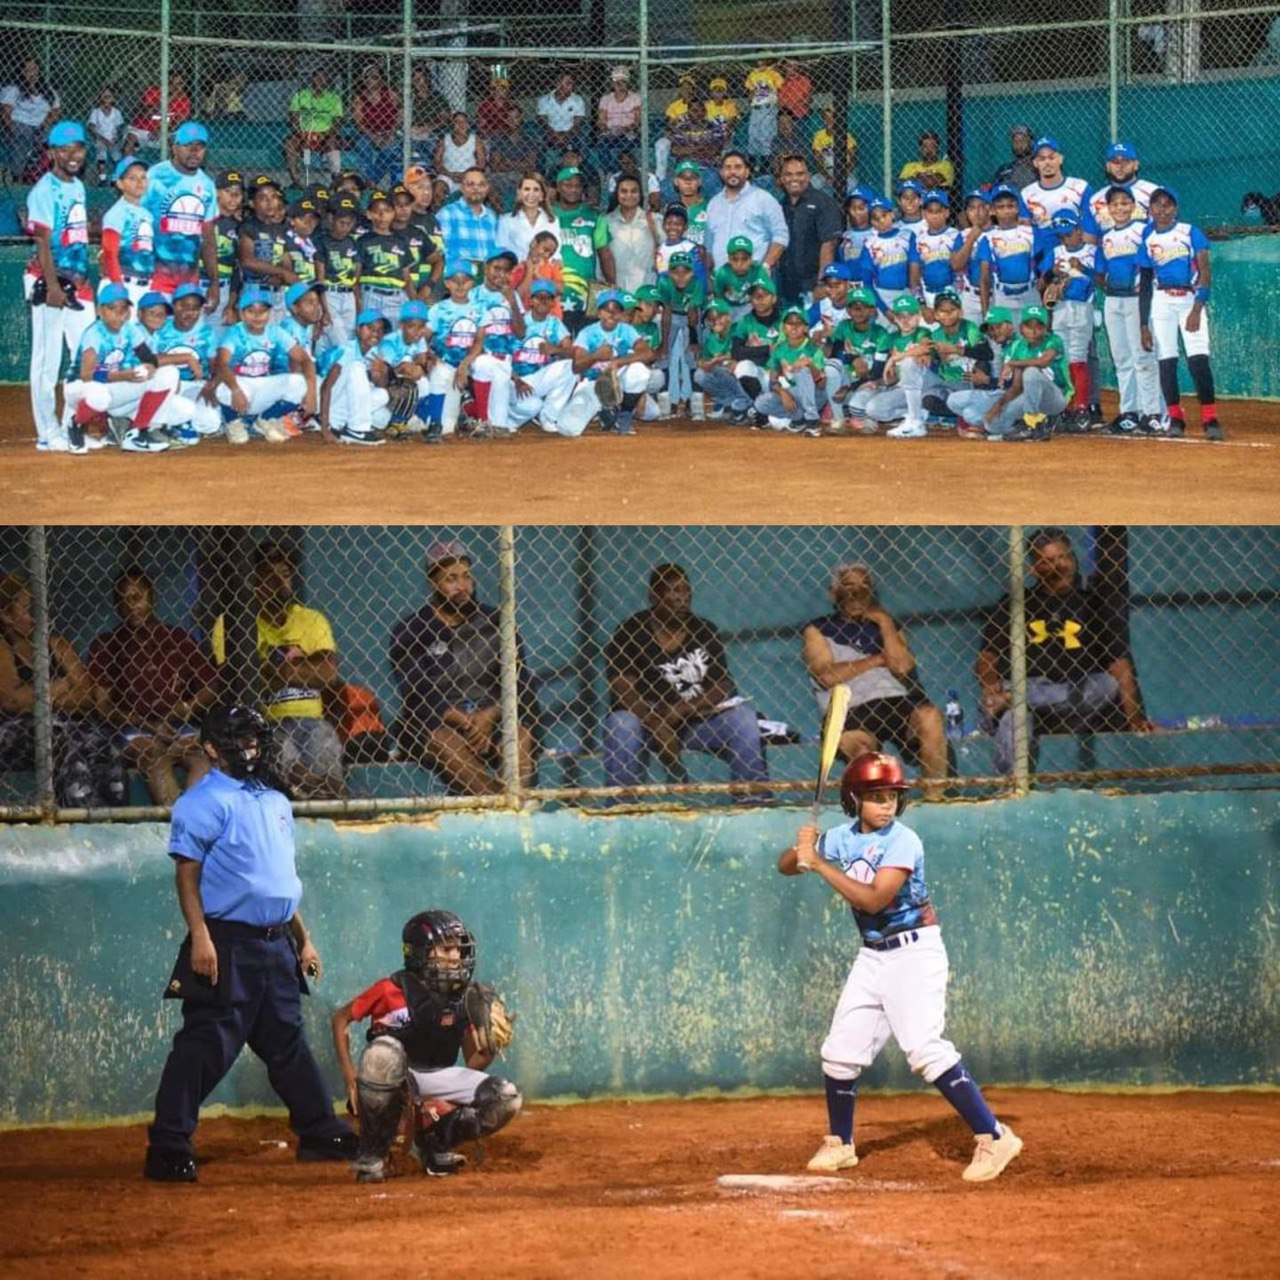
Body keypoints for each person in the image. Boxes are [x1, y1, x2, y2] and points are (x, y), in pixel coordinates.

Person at [778, 752, 1023, 1182]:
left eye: (891, 795)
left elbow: (873, 899)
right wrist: (802, 849)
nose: (886, 804)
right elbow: (787, 867)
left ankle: (994, 1135)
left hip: (915, 954)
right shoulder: (839, 837)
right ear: (855, 800)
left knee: (925, 1050)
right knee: (839, 1053)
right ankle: (841, 1143)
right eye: (875, 796)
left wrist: (818, 864)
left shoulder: (902, 840)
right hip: (873, 955)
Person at [142, 704, 357, 1183]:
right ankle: (168, 1146)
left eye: (255, 738)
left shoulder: (274, 799)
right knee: (206, 1045)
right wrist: (200, 936)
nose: (250, 748)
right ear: (212, 748)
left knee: (286, 1043)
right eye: (238, 739)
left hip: (276, 942)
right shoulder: (202, 801)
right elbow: (187, 876)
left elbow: (280, 881)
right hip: (226, 940)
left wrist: (304, 939)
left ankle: (319, 1131)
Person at [333, 910, 521, 1182]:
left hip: (434, 1075)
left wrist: (489, 1048)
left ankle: (434, 1142)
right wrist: (350, 1077)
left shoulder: (465, 998)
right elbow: (340, 1019)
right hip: (392, 1080)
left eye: (459, 949)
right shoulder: (391, 989)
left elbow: (472, 1062)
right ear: (421, 953)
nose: (456, 956)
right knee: (382, 1053)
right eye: (447, 948)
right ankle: (373, 1156)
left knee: (506, 1097)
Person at [976, 527, 1152, 775]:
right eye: (1049, 561)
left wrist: (1135, 721)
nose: (1061, 565)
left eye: (1064, 557)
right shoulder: (1015, 604)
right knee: (1014, 718)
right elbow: (987, 658)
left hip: (1075, 702)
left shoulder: (1093, 605)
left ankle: (1017, 696)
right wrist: (990, 684)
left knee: (1107, 685)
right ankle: (1009, 789)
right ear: (1034, 568)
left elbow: (1119, 666)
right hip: (1028, 696)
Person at [603, 563, 770, 800]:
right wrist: (656, 722)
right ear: (655, 596)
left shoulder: (704, 630)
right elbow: (622, 689)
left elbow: (721, 686)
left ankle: (754, 802)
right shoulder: (630, 632)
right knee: (620, 723)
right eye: (673, 591)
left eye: (685, 591)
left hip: (694, 723)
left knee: (743, 718)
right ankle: (622, 807)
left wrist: (679, 711)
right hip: (645, 725)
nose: (681, 599)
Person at [389, 541, 537, 796]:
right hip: (440, 722)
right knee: (443, 741)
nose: (463, 586)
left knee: (521, 735)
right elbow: (416, 694)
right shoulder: (412, 630)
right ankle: (503, 808)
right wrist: (464, 721)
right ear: (434, 584)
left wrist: (489, 717)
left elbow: (520, 683)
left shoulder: (496, 624)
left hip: (492, 718)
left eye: (467, 576)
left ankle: (500, 809)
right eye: (452, 579)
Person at [802, 562, 946, 799]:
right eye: (848, 585)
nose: (857, 592)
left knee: (930, 717)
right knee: (860, 748)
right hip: (851, 706)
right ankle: (879, 808)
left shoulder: (885, 625)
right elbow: (827, 675)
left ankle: (935, 797)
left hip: (896, 700)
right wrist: (876, 660)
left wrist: (885, 622)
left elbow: (901, 666)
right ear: (833, 593)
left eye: (864, 585)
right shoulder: (818, 629)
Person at [86, 567, 217, 805]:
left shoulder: (176, 638)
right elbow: (103, 705)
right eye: (123, 601)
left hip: (177, 724)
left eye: (137, 598)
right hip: (133, 730)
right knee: (154, 756)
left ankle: (197, 817)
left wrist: (185, 708)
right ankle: (178, 819)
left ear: (152, 598)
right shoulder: (108, 645)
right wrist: (145, 724)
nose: (131, 606)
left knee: (202, 757)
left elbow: (210, 686)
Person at [0, 570, 126, 810]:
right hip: (11, 733)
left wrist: (39, 699)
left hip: (65, 725)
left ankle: (114, 818)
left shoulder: (57, 644)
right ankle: (78, 817)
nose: (36, 616)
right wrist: (63, 685)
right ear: (6, 617)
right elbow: (12, 703)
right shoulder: (3, 648)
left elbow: (87, 696)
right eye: (27, 609)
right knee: (60, 739)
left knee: (103, 745)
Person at [249, 542, 346, 799]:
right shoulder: (237, 624)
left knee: (325, 743)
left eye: (284, 574)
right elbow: (243, 682)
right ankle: (331, 797)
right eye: (269, 576)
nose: (280, 582)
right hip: (266, 721)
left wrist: (276, 670)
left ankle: (324, 794)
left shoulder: (312, 619)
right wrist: (305, 667)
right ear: (255, 583)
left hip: (311, 719)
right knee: (280, 748)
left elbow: (327, 675)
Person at [25, 120, 95, 453]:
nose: (72, 155)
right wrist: (52, 285)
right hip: (49, 281)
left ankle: (71, 426)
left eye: (77, 148)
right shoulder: (44, 189)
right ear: (51, 152)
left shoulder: (77, 187)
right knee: (47, 359)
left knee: (83, 354)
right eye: (64, 149)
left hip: (76, 283)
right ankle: (46, 430)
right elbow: (43, 243)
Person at [1138, 186, 1221, 440]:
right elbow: (1145, 281)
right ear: (1150, 209)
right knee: (1167, 360)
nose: (1163, 210)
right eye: (1157, 205)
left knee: (1198, 360)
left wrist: (1198, 307)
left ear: (1176, 208)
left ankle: (1210, 418)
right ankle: (1176, 417)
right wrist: (1143, 324)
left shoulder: (1189, 232)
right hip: (1162, 300)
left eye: (1168, 205)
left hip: (1189, 300)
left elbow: (1205, 272)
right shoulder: (1147, 237)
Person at [1096, 184, 1162, 434]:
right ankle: (1129, 412)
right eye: (1115, 204)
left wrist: (1140, 288)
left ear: (1134, 206)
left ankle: (1152, 412)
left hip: (1136, 300)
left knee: (1143, 356)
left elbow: (1150, 264)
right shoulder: (1107, 236)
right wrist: (1109, 287)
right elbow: (1102, 271)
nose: (1120, 207)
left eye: (1125, 203)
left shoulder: (1143, 231)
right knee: (1122, 359)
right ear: (1108, 208)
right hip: (1114, 301)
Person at [143, 120, 219, 303]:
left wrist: (214, 283)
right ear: (174, 147)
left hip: (188, 282)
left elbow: (208, 239)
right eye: (187, 146)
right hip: (152, 278)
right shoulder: (155, 176)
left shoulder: (207, 186)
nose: (194, 151)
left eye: (199, 147)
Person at [552, 165, 614, 334]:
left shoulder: (593, 216)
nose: (573, 189)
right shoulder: (548, 215)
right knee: (557, 342)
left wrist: (611, 286)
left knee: (586, 343)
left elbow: (605, 254)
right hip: (554, 291)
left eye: (577, 186)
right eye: (567, 185)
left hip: (587, 293)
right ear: (558, 187)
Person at [775, 154, 843, 307]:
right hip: (786, 286)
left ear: (808, 176)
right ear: (782, 178)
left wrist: (821, 283)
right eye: (789, 174)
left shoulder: (824, 203)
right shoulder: (780, 205)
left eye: (800, 174)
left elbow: (829, 244)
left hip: (813, 286)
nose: (794, 179)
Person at [704, 151, 789, 270]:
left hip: (754, 277)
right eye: (728, 167)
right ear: (721, 172)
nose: (733, 172)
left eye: (738, 167)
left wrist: (766, 267)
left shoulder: (763, 199)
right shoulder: (714, 203)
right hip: (721, 279)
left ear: (747, 171)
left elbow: (781, 236)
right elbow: (709, 244)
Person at [101, 157, 155, 305]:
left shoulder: (148, 213)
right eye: (132, 178)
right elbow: (110, 253)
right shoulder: (117, 213)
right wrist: (119, 289)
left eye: (143, 177)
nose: (139, 182)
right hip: (124, 282)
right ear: (119, 184)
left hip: (145, 283)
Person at [284, 67, 344, 189]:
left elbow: (338, 121)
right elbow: (293, 116)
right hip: (303, 132)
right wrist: (300, 132)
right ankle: (296, 181)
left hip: (325, 134)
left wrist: (325, 134)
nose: (320, 80)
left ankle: (336, 179)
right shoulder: (301, 95)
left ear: (328, 80)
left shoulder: (334, 98)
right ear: (312, 79)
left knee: (333, 142)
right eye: (317, 77)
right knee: (290, 144)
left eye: (324, 77)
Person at [1, 57, 59, 181]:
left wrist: (46, 123)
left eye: (34, 69)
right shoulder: (14, 89)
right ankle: (17, 174)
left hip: (42, 126)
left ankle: (43, 174)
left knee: (55, 136)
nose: (32, 73)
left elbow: (55, 110)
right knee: (23, 136)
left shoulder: (48, 91)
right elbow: (6, 112)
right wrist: (11, 130)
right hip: (20, 124)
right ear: (22, 72)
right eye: (27, 70)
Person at [436, 167, 500, 273]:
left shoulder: (492, 217)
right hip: (458, 278)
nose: (476, 188)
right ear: (462, 188)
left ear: (487, 188)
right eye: (470, 184)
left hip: (487, 280)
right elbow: (440, 250)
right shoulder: (447, 213)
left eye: (481, 185)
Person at [606, 175, 660, 295]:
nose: (629, 195)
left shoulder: (655, 221)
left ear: (640, 194)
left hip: (647, 294)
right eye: (624, 191)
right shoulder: (606, 222)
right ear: (617, 194)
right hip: (617, 293)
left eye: (634, 191)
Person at [352, 63, 402, 189]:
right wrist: (374, 137)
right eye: (367, 77)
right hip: (367, 132)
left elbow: (400, 115)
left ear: (381, 79)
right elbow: (358, 123)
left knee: (391, 149)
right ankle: (371, 181)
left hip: (388, 131)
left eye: (374, 77)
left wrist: (390, 134)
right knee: (362, 145)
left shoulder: (390, 94)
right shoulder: (359, 97)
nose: (370, 80)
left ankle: (372, 181)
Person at [497, 172, 560, 264]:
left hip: (544, 274)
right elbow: (502, 251)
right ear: (519, 193)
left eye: (536, 190)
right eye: (527, 189)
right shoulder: (506, 220)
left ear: (542, 195)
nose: (531, 194)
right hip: (518, 274)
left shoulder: (553, 221)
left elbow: (556, 254)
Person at [536, 72, 587, 174]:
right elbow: (543, 123)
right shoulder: (544, 100)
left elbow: (577, 124)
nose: (570, 86)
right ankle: (541, 174)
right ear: (558, 83)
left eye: (572, 83)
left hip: (571, 133)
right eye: (567, 82)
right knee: (539, 139)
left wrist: (566, 136)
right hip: (550, 133)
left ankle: (581, 171)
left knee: (583, 139)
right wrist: (554, 135)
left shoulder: (578, 100)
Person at [126, 74, 191, 153]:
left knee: (177, 148)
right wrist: (167, 100)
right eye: (171, 83)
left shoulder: (184, 100)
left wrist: (162, 131)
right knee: (128, 145)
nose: (175, 87)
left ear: (184, 84)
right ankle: (127, 164)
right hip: (142, 129)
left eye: (179, 83)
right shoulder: (153, 92)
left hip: (164, 132)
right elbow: (146, 113)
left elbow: (178, 122)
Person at [596, 66, 641, 176]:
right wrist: (608, 129)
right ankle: (610, 172)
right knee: (601, 144)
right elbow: (601, 121)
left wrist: (625, 129)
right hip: (610, 132)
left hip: (629, 132)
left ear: (627, 83)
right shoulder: (606, 99)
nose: (620, 85)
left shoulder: (635, 97)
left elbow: (637, 121)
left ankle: (623, 172)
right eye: (617, 82)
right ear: (613, 83)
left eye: (623, 82)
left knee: (625, 144)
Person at [434, 112, 486, 188]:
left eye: (464, 122)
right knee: (439, 187)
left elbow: (482, 163)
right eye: (457, 121)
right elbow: (436, 161)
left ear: (468, 125)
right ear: (452, 125)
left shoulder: (475, 140)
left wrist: (466, 174)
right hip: (447, 176)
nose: (461, 124)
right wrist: (449, 174)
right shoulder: (445, 139)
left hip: (469, 175)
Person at [87, 84, 125, 186]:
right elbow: (91, 127)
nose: (106, 100)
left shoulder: (116, 112)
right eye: (104, 97)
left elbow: (119, 128)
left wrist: (116, 138)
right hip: (100, 138)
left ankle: (115, 178)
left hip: (113, 139)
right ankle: (102, 178)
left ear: (113, 99)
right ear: (100, 98)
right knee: (102, 152)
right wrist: (102, 139)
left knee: (116, 155)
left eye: (109, 97)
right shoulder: (96, 112)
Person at [991, 123, 1036, 191]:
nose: (1018, 144)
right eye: (1015, 141)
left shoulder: (1037, 166)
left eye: (1022, 140)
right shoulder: (1005, 169)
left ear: (1031, 142)